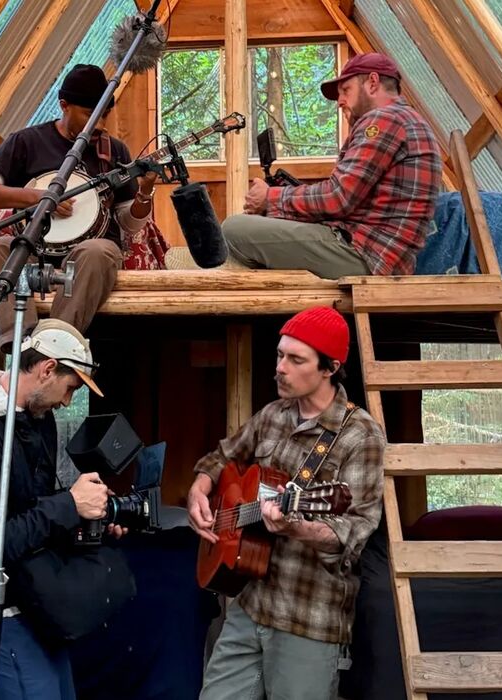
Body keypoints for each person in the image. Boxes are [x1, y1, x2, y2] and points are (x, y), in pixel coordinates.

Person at [187, 306, 386, 700]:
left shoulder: (360, 436)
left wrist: (296, 526)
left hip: (306, 617)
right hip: (248, 603)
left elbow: (353, 532)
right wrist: (200, 486)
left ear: (329, 367)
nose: (281, 368)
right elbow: (225, 456)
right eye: (280, 355)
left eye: (296, 360)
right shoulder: (272, 415)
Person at [0, 319, 122, 700]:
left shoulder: (39, 421)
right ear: (47, 369)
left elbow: (30, 509)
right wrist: (68, 504)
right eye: (70, 388)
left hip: (33, 601)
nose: (67, 401)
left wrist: (87, 518)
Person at [0, 64, 157, 350]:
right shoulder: (27, 142)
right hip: (35, 249)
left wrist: (145, 192)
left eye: (104, 115)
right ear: (64, 105)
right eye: (88, 115)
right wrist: (39, 198)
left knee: (100, 251)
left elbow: (129, 223)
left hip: (88, 253)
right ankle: (19, 339)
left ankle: (55, 343)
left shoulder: (114, 151)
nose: (99, 124)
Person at [224, 53, 442, 279]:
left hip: (363, 256)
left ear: (373, 83)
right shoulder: (409, 120)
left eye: (346, 90)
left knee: (233, 229)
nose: (340, 101)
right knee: (265, 227)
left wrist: (270, 198)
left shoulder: (385, 120)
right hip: (379, 256)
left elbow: (338, 197)